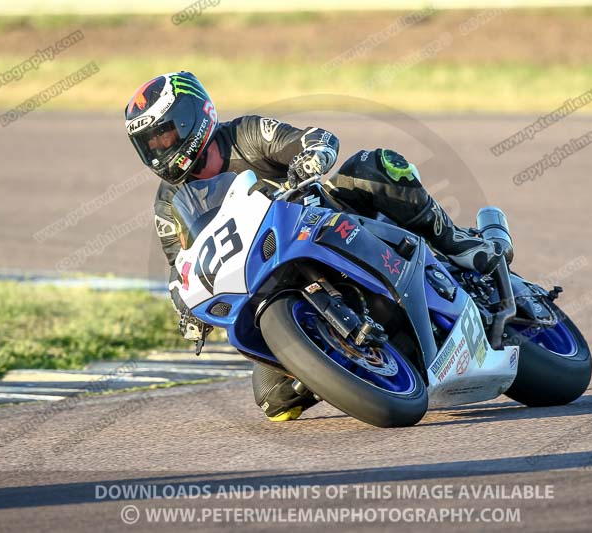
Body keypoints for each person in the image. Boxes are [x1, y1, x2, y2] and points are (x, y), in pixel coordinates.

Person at [125, 71, 503, 421]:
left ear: (195, 117)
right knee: (276, 402)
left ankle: (455, 243)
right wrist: (187, 308)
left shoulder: (246, 134)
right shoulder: (167, 205)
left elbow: (312, 138)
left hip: (325, 224)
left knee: (377, 166)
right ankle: (343, 360)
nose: (160, 149)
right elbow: (182, 266)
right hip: (266, 280)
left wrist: (313, 155)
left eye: (166, 135)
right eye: (149, 144)